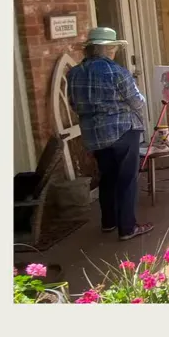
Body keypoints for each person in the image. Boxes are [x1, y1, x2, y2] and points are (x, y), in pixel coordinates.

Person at [66, 27, 153, 241]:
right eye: (113, 47)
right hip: (123, 130)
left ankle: (109, 222)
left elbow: (73, 104)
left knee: (107, 177)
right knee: (127, 179)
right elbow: (137, 102)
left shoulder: (75, 73)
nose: (114, 51)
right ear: (107, 49)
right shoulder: (116, 71)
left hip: (94, 134)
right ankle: (127, 228)